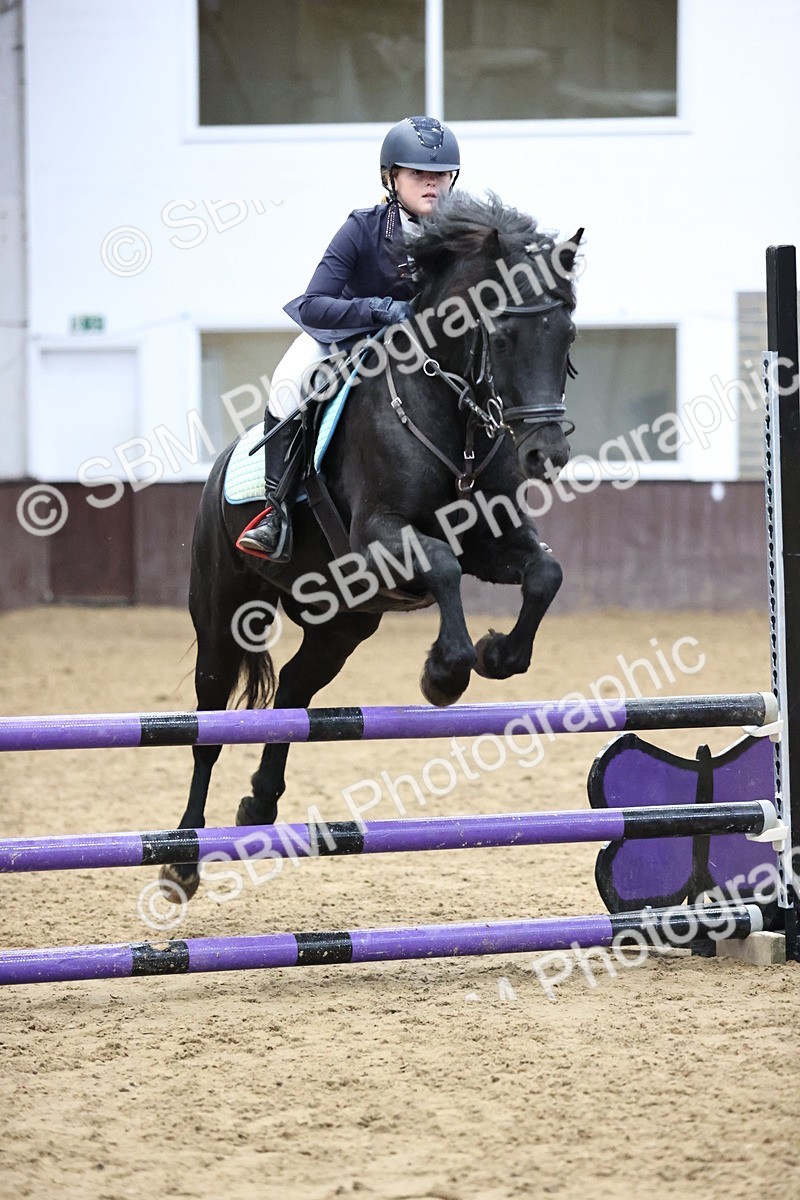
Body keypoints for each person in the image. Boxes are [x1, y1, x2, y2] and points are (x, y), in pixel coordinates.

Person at [237, 115, 461, 561]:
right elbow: (313, 303)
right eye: (418, 173)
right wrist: (379, 309)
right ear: (391, 178)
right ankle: (276, 514)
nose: (431, 183)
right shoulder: (362, 228)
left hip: (426, 350)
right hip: (348, 338)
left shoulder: (462, 236)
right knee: (287, 383)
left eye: (440, 174)